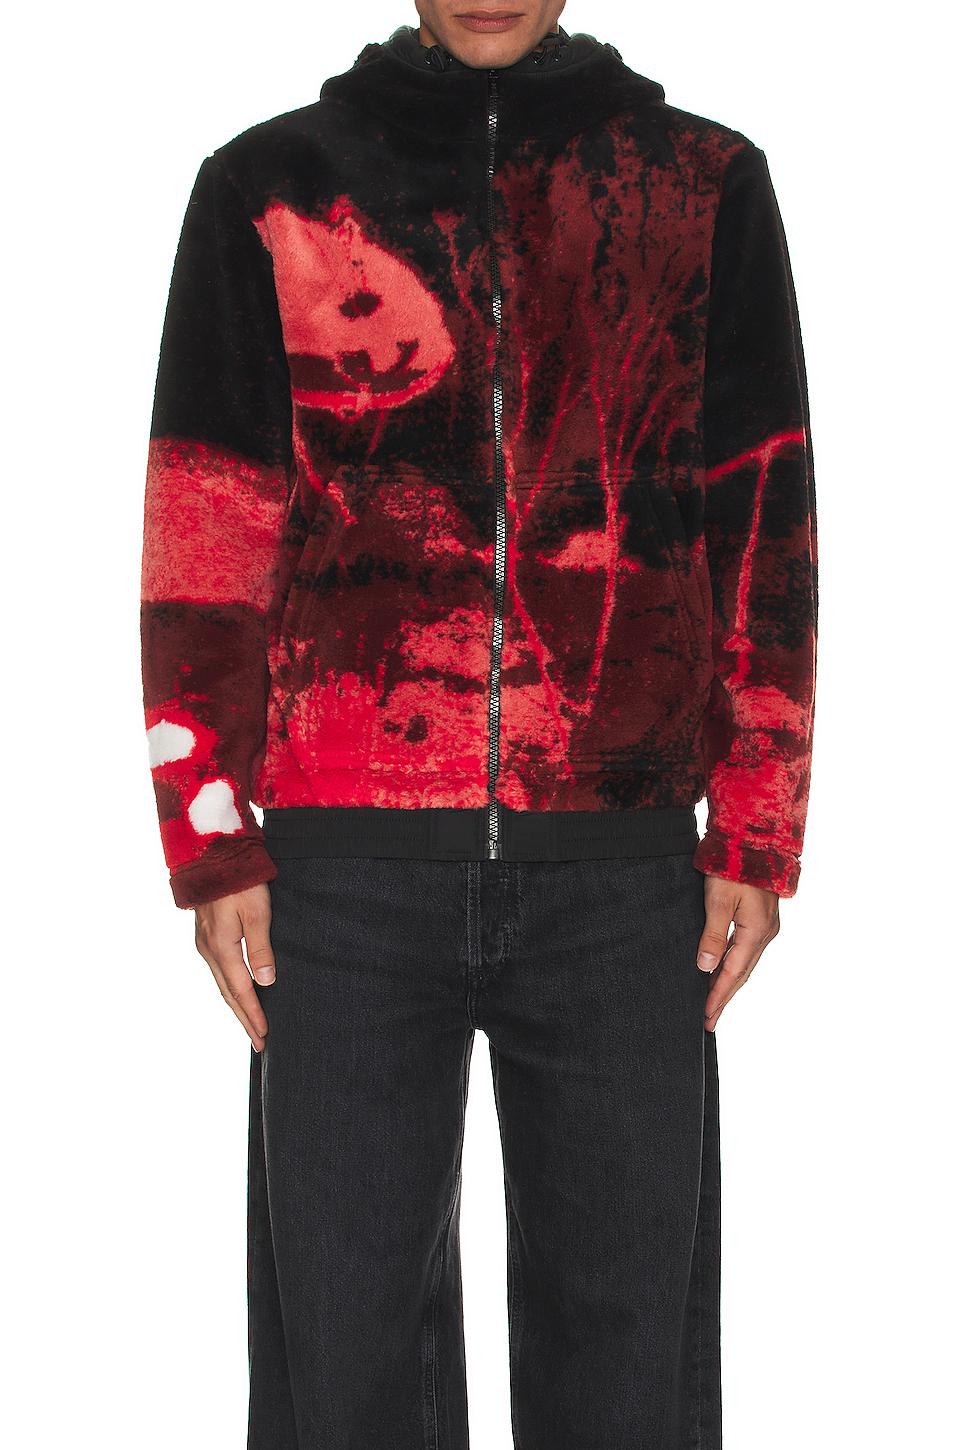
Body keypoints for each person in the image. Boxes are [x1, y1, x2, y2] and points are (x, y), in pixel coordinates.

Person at [141, 1, 817, 1444]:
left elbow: (764, 516)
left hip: (624, 870)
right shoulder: (267, 189)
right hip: (341, 871)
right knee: (339, 1362)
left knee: (630, 1369)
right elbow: (207, 524)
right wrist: (210, 837)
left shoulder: (704, 186)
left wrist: (758, 824)